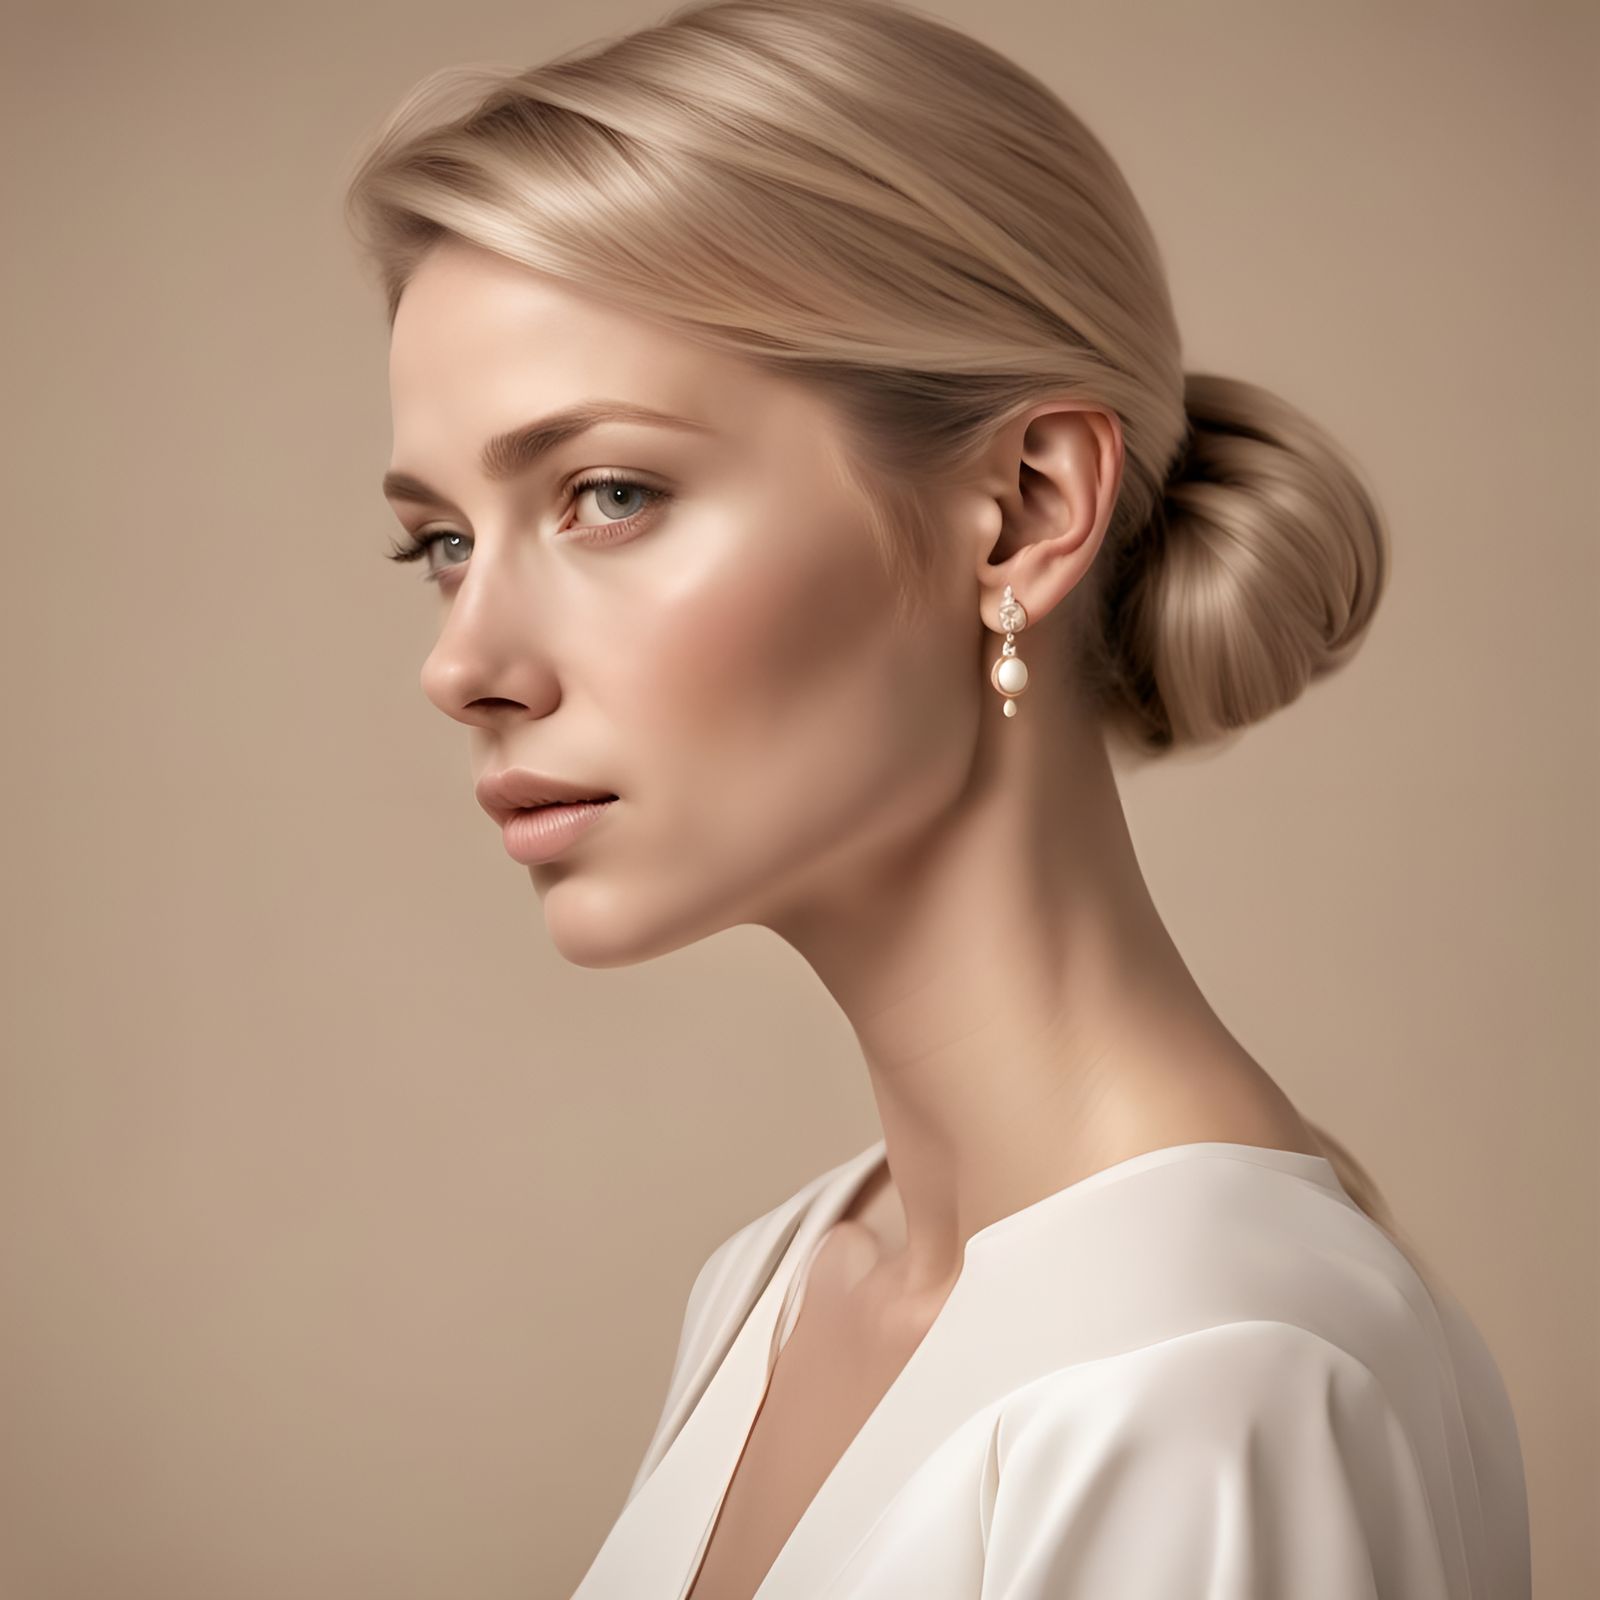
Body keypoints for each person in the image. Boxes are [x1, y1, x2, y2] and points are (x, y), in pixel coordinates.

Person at [343, 1, 1531, 1595]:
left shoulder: (1207, 1386)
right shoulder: (783, 1282)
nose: (465, 661)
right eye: (442, 543)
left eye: (608, 494)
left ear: (1023, 511)